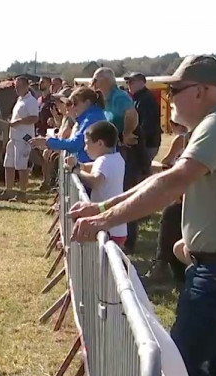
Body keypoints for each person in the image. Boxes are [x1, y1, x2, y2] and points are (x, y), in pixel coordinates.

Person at [68, 55, 216, 376]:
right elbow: (161, 179)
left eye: (175, 91)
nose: (169, 100)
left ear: (201, 91)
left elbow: (171, 184)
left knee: (175, 367)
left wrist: (105, 219)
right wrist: (102, 206)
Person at [92, 67, 142, 254]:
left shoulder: (118, 96)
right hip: (115, 148)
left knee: (126, 191)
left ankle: (128, 240)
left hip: (125, 149)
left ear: (106, 80)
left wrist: (127, 133)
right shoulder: (107, 98)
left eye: (96, 80)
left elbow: (132, 114)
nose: (94, 84)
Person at [143, 120, 192, 287]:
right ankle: (164, 264)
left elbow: (166, 161)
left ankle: (161, 264)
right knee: (172, 212)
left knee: (171, 213)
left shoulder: (182, 139)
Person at [63, 121, 127, 246]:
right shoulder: (117, 158)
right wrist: (77, 165)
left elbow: (96, 182)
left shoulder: (103, 161)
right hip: (118, 227)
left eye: (87, 144)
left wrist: (75, 170)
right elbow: (89, 167)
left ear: (99, 143)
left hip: (108, 228)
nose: (85, 148)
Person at [28, 87, 108, 164]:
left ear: (87, 102)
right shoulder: (91, 116)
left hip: (90, 165)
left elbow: (75, 144)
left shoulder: (92, 118)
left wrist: (47, 141)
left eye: (75, 103)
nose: (72, 107)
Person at [2, 75, 39, 202]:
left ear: (26, 86)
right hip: (14, 136)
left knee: (21, 166)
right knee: (8, 164)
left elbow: (34, 118)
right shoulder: (19, 99)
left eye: (19, 86)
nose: (17, 89)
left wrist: (18, 122)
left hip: (23, 137)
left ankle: (22, 193)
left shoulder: (31, 101)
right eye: (15, 87)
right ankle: (8, 190)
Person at [126, 72, 163, 163]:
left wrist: (135, 140)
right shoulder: (138, 98)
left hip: (147, 144)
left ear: (141, 82)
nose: (128, 85)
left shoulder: (146, 99)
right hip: (145, 143)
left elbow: (147, 125)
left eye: (131, 82)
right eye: (128, 82)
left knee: (141, 172)